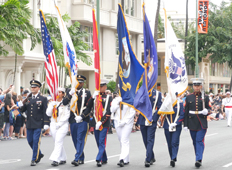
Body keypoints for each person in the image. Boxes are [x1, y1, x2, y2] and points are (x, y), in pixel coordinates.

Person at [18, 80, 50, 166]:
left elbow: (45, 112)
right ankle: (39, 153)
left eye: (34, 87)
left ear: (38, 88)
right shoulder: (28, 98)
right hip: (29, 123)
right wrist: (21, 105)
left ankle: (34, 159)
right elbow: (23, 110)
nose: (32, 88)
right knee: (30, 141)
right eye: (32, 87)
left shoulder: (43, 99)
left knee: (36, 141)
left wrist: (46, 123)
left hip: (38, 123)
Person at [63, 75, 92, 166]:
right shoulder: (70, 91)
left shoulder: (87, 92)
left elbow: (89, 107)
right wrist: (69, 95)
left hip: (83, 119)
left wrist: (82, 116)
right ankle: (81, 156)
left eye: (81, 82)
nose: (79, 84)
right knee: (75, 139)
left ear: (83, 83)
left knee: (80, 138)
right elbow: (64, 102)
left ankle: (77, 158)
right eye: (78, 82)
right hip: (73, 119)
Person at [84, 79, 112, 167]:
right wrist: (92, 98)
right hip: (95, 122)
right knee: (98, 141)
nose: (100, 88)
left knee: (101, 141)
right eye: (99, 86)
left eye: (102, 86)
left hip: (104, 123)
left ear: (105, 87)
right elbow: (88, 106)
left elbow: (108, 112)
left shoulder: (108, 97)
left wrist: (101, 121)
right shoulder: (95, 97)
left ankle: (99, 159)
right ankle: (104, 158)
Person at [184, 78, 211, 168]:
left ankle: (198, 159)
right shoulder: (188, 97)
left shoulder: (205, 97)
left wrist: (206, 111)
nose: (196, 87)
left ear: (201, 86)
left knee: (199, 140)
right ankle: (198, 157)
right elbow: (186, 111)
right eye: (195, 85)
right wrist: (185, 124)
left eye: (198, 85)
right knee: (195, 142)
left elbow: (210, 108)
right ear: (193, 86)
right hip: (192, 121)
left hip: (201, 121)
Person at [137, 88, 162, 167]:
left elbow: (160, 107)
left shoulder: (157, 94)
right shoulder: (141, 92)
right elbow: (137, 104)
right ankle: (151, 156)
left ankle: (147, 159)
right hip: (143, 119)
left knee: (150, 139)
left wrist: (155, 118)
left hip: (152, 119)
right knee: (145, 140)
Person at [46, 87, 70, 166]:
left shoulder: (66, 103)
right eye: (57, 92)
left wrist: (59, 124)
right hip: (53, 124)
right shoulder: (52, 102)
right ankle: (63, 157)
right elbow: (48, 114)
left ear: (63, 94)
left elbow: (67, 115)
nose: (58, 93)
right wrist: (51, 106)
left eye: (60, 92)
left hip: (62, 125)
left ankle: (55, 159)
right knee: (57, 141)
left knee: (58, 141)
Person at [110, 96, 135, 167]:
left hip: (127, 123)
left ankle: (122, 159)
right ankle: (126, 158)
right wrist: (117, 103)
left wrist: (125, 121)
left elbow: (132, 112)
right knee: (121, 140)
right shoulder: (116, 99)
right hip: (118, 122)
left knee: (124, 140)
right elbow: (112, 110)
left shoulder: (131, 99)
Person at [163, 97, 185, 167]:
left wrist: (176, 123)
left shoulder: (180, 104)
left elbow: (182, 115)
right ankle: (172, 156)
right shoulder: (166, 104)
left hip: (176, 126)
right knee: (169, 143)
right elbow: (162, 113)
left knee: (174, 142)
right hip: (167, 125)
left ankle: (173, 158)